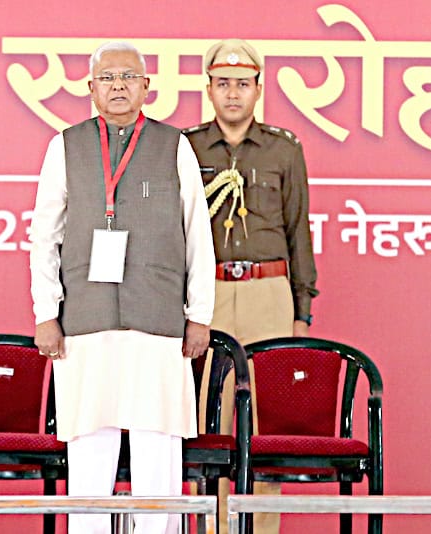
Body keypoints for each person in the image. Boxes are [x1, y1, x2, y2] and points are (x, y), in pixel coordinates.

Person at [29, 41, 215, 534]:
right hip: (85, 320)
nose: (118, 86)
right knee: (89, 449)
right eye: (108, 78)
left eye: (128, 77)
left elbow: (197, 232)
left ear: (146, 87)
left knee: (158, 448)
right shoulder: (65, 146)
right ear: (90, 88)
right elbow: (44, 236)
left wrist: (199, 315)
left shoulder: (174, 145)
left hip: (158, 319)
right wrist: (46, 312)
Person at [183, 38, 318, 534]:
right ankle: (214, 526)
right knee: (211, 420)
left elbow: (298, 230)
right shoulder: (187, 147)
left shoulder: (284, 148)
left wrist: (301, 311)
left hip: (268, 291)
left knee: (265, 423)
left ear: (258, 89)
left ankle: (260, 529)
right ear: (209, 89)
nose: (233, 93)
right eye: (223, 84)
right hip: (209, 293)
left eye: (243, 83)